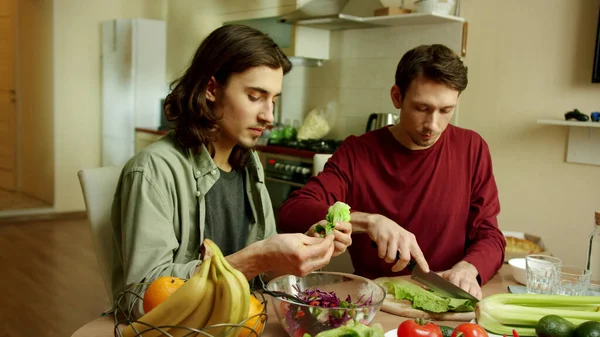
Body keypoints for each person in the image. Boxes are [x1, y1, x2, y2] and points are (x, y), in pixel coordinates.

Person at [110, 24, 352, 306]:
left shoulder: (249, 165)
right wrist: (257, 257)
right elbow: (142, 298)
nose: (269, 116)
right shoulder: (152, 171)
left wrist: (303, 249)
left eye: (273, 100)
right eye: (255, 97)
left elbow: (261, 276)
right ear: (212, 88)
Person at [277, 44, 506, 300]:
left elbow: (490, 234)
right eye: (421, 108)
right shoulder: (358, 152)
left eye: (446, 110)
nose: (433, 125)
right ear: (397, 97)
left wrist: (470, 267)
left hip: (449, 298)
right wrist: (367, 221)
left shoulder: (472, 148)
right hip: (375, 301)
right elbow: (292, 211)